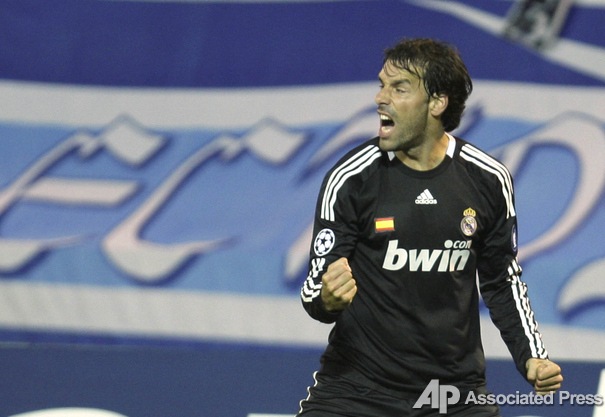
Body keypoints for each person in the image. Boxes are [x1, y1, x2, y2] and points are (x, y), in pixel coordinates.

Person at [297, 38, 563, 417]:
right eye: (382, 85)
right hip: (356, 390)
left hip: (452, 395)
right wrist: (327, 299)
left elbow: (501, 279)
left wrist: (531, 356)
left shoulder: (488, 179)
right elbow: (315, 291)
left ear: (437, 103)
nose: (380, 98)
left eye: (399, 88)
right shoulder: (351, 178)